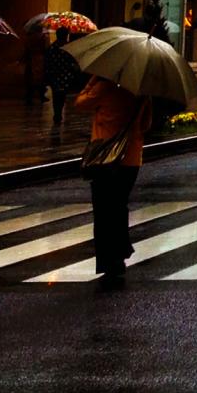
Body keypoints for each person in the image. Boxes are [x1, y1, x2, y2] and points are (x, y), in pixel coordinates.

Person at [75, 74, 153, 287]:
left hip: (105, 159)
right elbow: (146, 125)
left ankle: (109, 260)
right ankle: (119, 254)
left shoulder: (104, 88)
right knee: (119, 206)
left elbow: (79, 103)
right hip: (131, 160)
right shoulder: (140, 93)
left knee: (103, 210)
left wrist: (91, 81)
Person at [43, 28, 84, 142]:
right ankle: (58, 112)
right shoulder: (69, 47)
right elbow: (73, 60)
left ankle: (57, 113)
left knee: (57, 94)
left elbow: (47, 61)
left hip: (55, 75)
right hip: (65, 75)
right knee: (62, 94)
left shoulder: (52, 48)